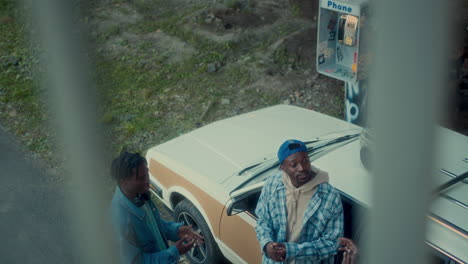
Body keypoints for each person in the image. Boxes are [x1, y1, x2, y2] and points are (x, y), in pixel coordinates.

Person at [255, 139, 344, 264]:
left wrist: (292, 251)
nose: (302, 168)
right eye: (294, 165)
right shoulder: (272, 184)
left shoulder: (330, 196)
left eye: (305, 161)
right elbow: (263, 220)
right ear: (282, 168)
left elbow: (333, 242)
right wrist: (267, 244)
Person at [109, 152, 203, 264]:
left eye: (147, 174)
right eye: (141, 178)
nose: (147, 181)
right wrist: (174, 252)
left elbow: (154, 225)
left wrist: (177, 230)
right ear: (124, 181)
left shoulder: (139, 194)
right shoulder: (119, 219)